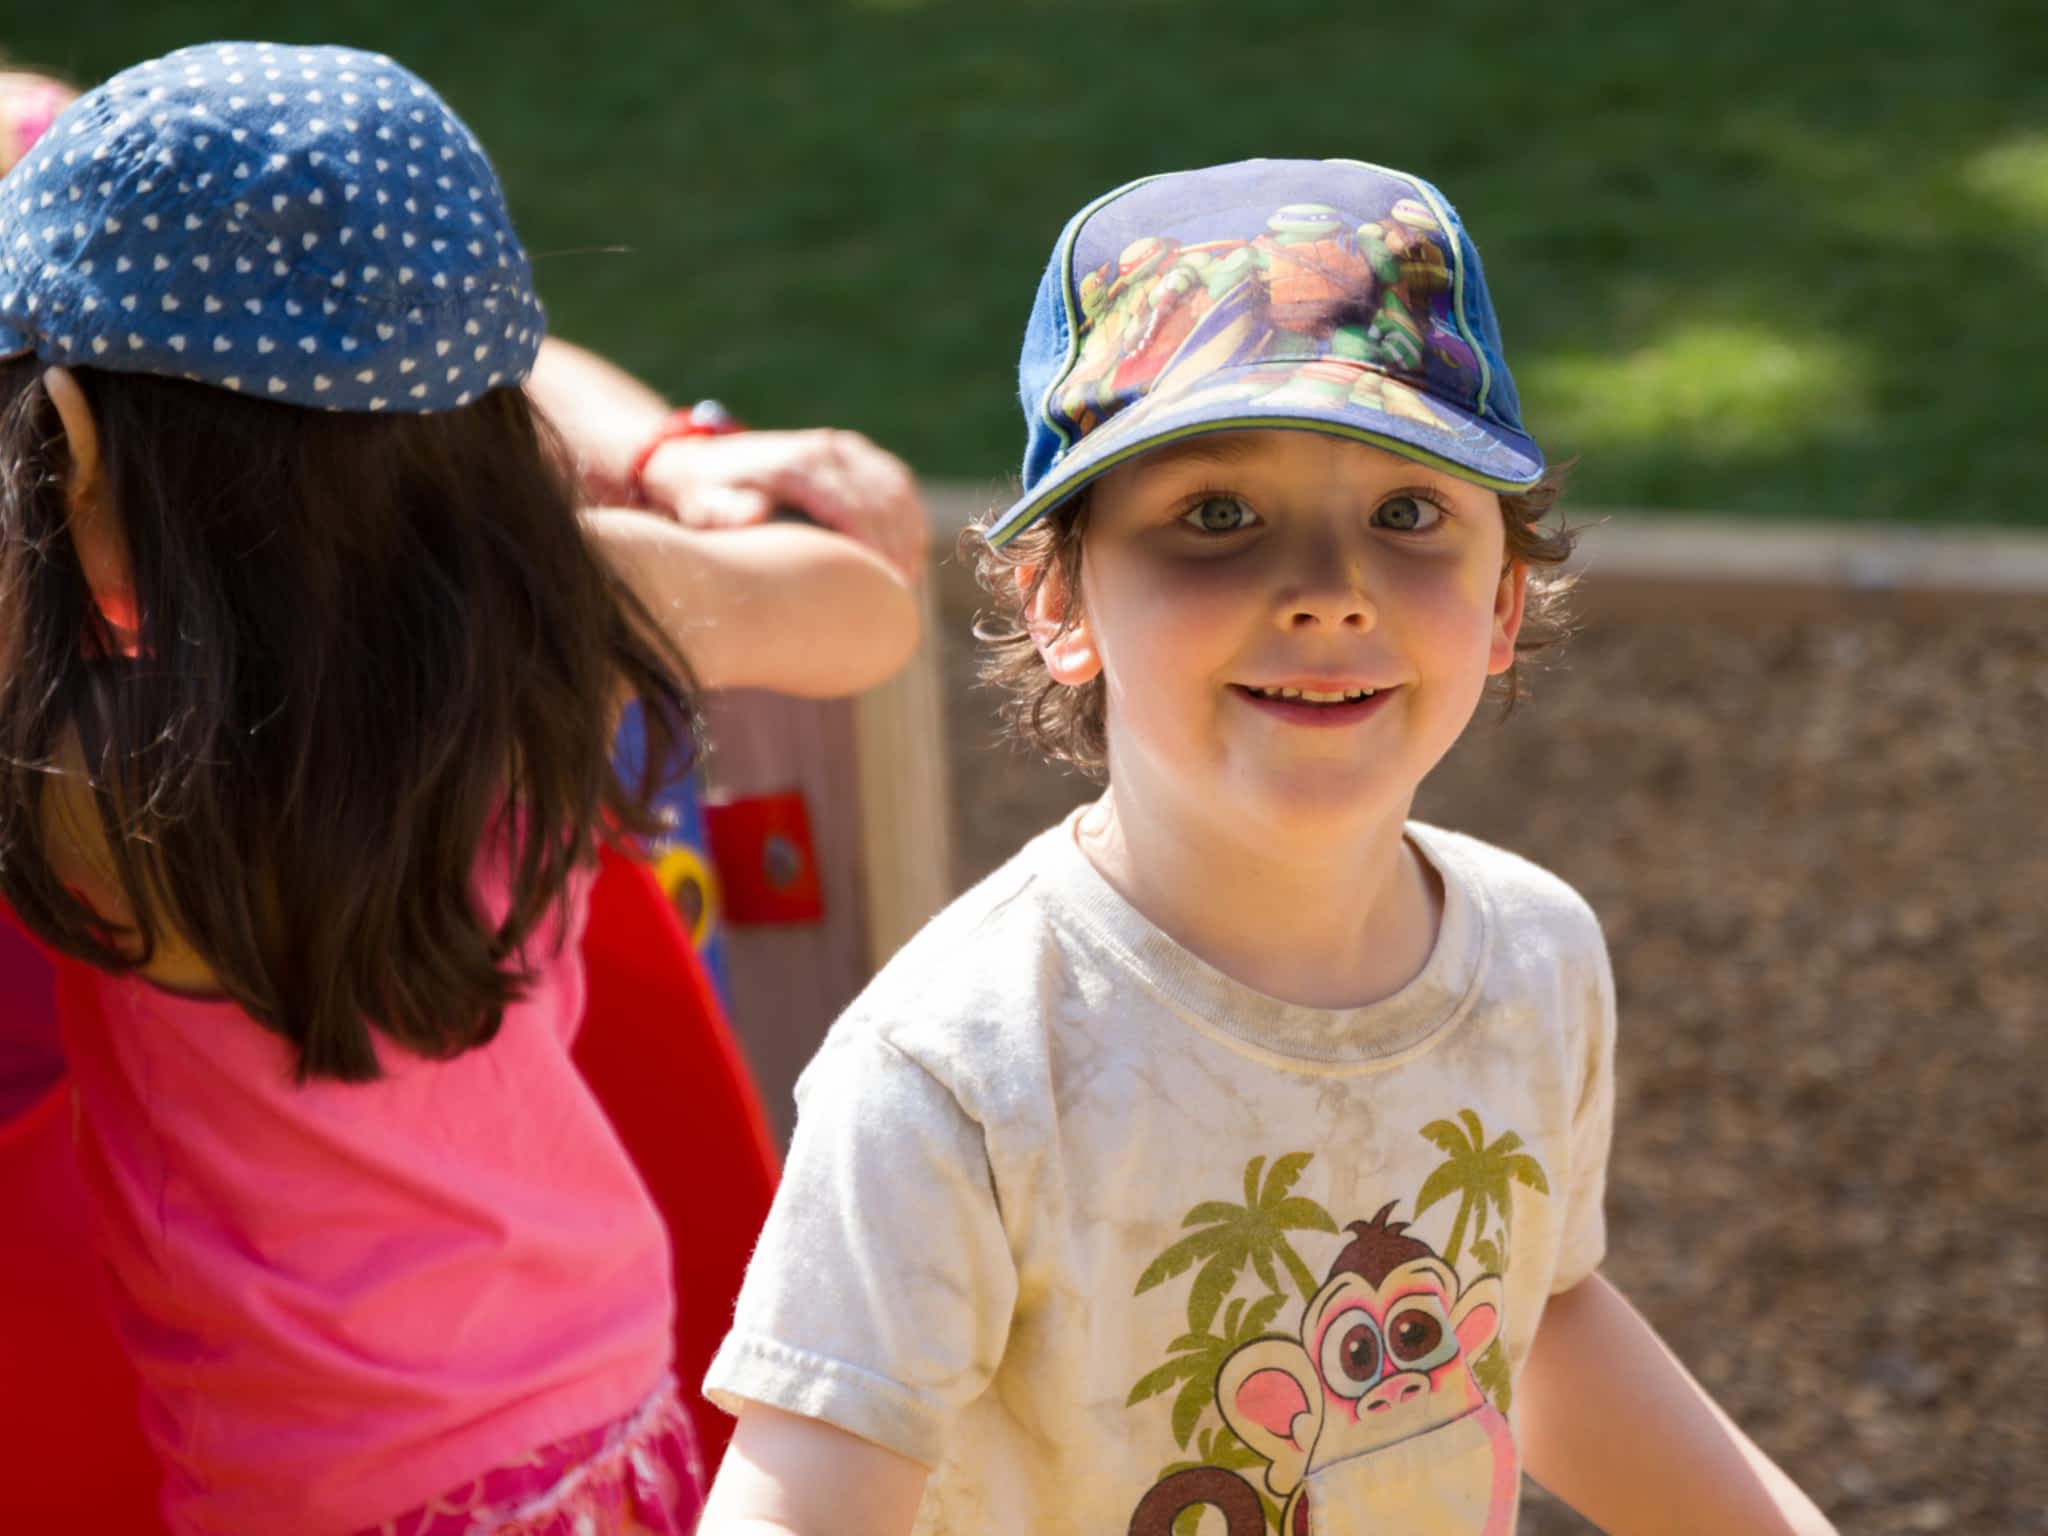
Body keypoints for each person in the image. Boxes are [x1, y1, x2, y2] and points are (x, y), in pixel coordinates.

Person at [696, 158, 1838, 1534]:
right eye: (1217, 517)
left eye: (1408, 515)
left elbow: (1537, 1320)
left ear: (1503, 603)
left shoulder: (1535, 954)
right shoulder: (959, 1075)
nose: (1328, 593)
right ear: (1059, 598)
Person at [0, 40, 918, 1536]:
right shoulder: (553, 620)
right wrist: (679, 492)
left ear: (80, 446)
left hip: (315, 1497)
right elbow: (863, 614)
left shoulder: (101, 782)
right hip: (608, 1434)